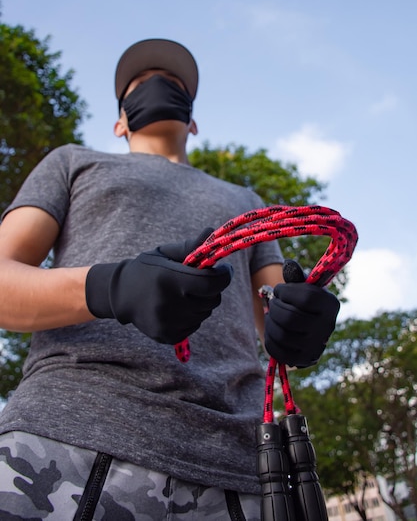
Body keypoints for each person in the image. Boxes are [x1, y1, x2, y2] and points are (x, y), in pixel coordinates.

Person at [0, 39, 340, 520]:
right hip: (61, 439)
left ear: (193, 120)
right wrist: (111, 286)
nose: (158, 85)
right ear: (120, 122)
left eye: (175, 84)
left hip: (239, 469)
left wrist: (299, 321)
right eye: (139, 84)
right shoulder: (72, 162)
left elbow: (273, 305)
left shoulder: (248, 202)